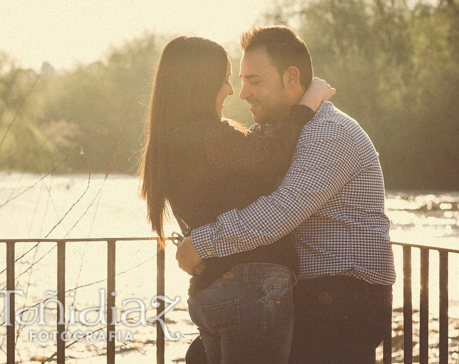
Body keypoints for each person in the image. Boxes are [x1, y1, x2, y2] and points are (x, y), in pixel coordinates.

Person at [175, 26, 396, 364]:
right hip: (302, 293)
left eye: (255, 81)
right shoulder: (277, 133)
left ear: (291, 78)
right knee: (200, 356)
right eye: (241, 80)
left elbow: (279, 212)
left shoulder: (329, 134)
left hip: (344, 300)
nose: (242, 93)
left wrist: (201, 244)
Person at [137, 36, 335, 363]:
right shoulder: (210, 136)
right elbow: (273, 156)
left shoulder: (169, 145)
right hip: (249, 289)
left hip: (210, 292)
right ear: (201, 86)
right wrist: (304, 107)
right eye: (225, 80)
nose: (230, 91)